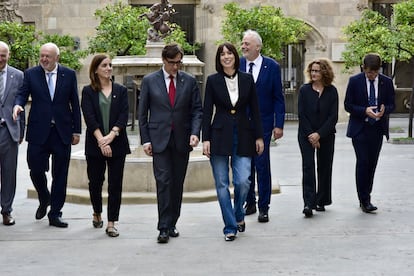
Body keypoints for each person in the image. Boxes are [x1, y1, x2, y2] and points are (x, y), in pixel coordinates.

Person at [138, 43, 203, 243]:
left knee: (176, 184)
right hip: (159, 140)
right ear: (164, 61)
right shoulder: (150, 81)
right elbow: (142, 114)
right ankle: (163, 226)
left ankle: (173, 221)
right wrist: (145, 139)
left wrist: (195, 133)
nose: (176, 67)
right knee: (164, 182)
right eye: (172, 63)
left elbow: (197, 111)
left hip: (182, 141)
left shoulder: (190, 81)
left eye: (179, 62)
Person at [13, 42, 81, 228]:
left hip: (62, 132)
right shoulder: (31, 74)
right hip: (38, 131)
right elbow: (22, 93)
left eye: (47, 56)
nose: (43, 59)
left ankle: (55, 213)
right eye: (41, 55)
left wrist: (77, 130)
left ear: (56, 58)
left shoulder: (69, 74)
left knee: (60, 175)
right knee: (35, 169)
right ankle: (44, 197)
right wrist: (18, 105)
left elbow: (74, 103)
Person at [202, 42, 264, 241]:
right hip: (219, 135)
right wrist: (206, 139)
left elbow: (255, 109)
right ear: (219, 59)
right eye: (222, 54)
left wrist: (260, 136)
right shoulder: (212, 81)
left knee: (243, 181)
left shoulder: (247, 79)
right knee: (221, 183)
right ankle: (230, 226)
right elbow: (206, 112)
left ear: (236, 56)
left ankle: (238, 214)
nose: (226, 57)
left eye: (229, 53)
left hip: (243, 134)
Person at [81, 54, 131, 237]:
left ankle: (111, 222)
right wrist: (101, 140)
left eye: (110, 65)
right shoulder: (88, 91)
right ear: (95, 69)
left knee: (115, 184)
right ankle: (97, 213)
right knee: (95, 182)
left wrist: (111, 136)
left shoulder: (121, 90)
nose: (109, 68)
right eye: (104, 65)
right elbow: (89, 117)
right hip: (95, 144)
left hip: (117, 143)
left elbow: (124, 115)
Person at [240, 29, 285, 222]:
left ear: (257, 47)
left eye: (247, 44)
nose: (243, 47)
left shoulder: (272, 66)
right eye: (242, 43)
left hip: (264, 124)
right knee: (245, 165)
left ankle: (263, 206)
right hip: (242, 124)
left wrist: (279, 124)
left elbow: (278, 97)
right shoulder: (238, 64)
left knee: (262, 164)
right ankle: (249, 202)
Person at [344, 53, 395, 213]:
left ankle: (367, 195)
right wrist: (364, 111)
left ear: (379, 69)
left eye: (374, 72)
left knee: (372, 163)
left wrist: (384, 110)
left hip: (377, 129)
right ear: (363, 68)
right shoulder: (355, 81)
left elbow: (392, 104)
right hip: (360, 129)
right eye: (368, 72)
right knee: (363, 161)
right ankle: (364, 199)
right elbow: (348, 105)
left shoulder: (386, 82)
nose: (371, 75)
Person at [298, 58, 338, 218]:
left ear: (324, 72)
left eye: (317, 71)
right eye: (312, 71)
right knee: (308, 167)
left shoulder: (332, 91)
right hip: (306, 135)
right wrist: (311, 135)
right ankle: (308, 203)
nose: (314, 73)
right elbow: (302, 114)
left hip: (326, 135)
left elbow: (333, 116)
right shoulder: (304, 90)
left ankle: (322, 200)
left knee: (324, 167)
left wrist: (319, 134)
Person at [0, 41, 24, 226]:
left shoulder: (18, 75)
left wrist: (21, 130)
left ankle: (6, 211)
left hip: (9, 131)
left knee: (9, 173)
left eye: (3, 55)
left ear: (8, 55)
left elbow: (20, 102)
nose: (0, 58)